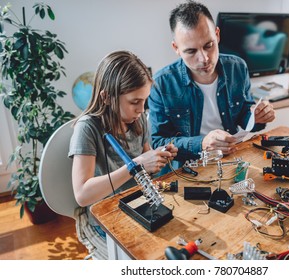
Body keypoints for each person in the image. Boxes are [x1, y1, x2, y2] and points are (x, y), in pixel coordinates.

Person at [68, 50, 177, 256]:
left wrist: (157, 157)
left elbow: (146, 171)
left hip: (138, 206)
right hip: (105, 219)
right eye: (134, 102)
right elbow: (82, 195)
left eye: (144, 100)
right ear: (106, 97)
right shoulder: (88, 128)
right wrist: (137, 164)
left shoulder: (139, 120)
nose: (141, 109)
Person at [148, 0, 275, 169]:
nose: (204, 58)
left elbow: (245, 113)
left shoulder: (237, 67)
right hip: (188, 168)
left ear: (217, 34)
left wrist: (257, 117)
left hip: (232, 157)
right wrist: (202, 143)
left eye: (209, 45)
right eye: (191, 51)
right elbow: (158, 142)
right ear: (176, 48)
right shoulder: (161, 84)